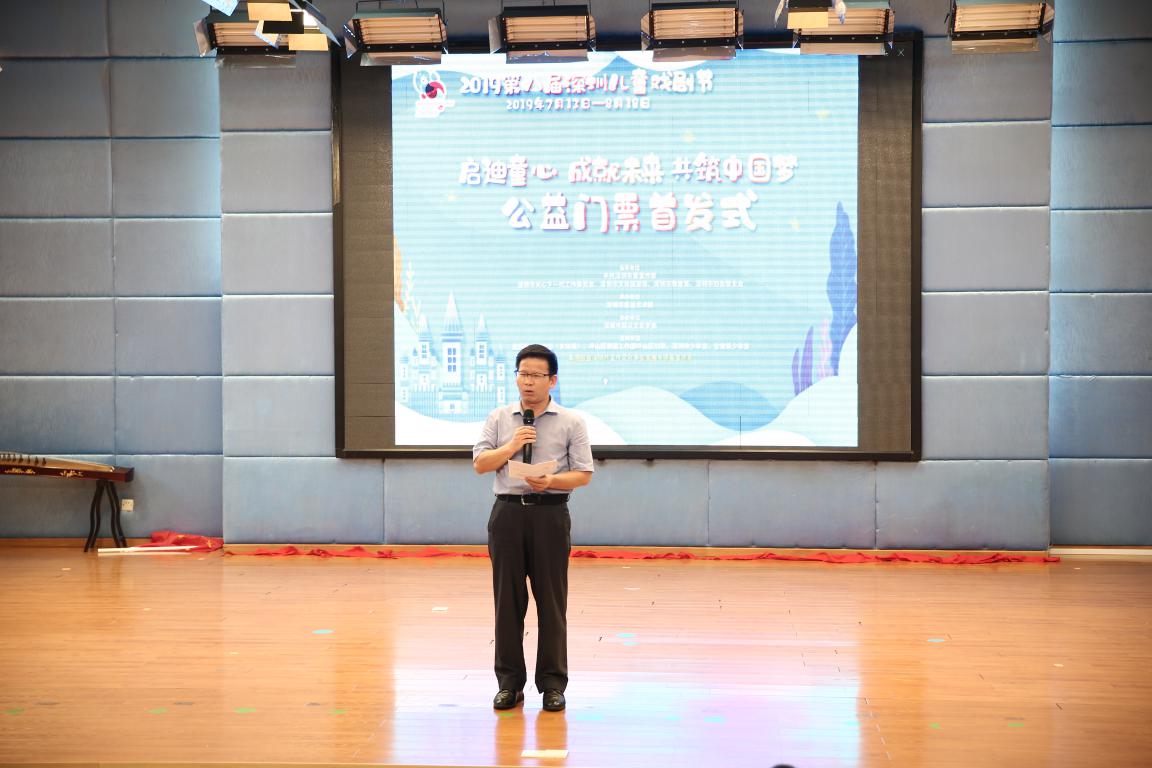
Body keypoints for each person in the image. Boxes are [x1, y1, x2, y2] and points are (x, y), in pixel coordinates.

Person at [472, 344, 594, 712]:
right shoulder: (499, 418)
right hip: (507, 515)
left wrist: (552, 481)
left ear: (552, 380)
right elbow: (480, 463)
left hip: (550, 516)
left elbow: (583, 474)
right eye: (522, 374)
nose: (527, 381)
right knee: (507, 603)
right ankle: (509, 684)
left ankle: (553, 685)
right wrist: (512, 445)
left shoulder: (571, 422)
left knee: (552, 603)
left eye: (536, 375)